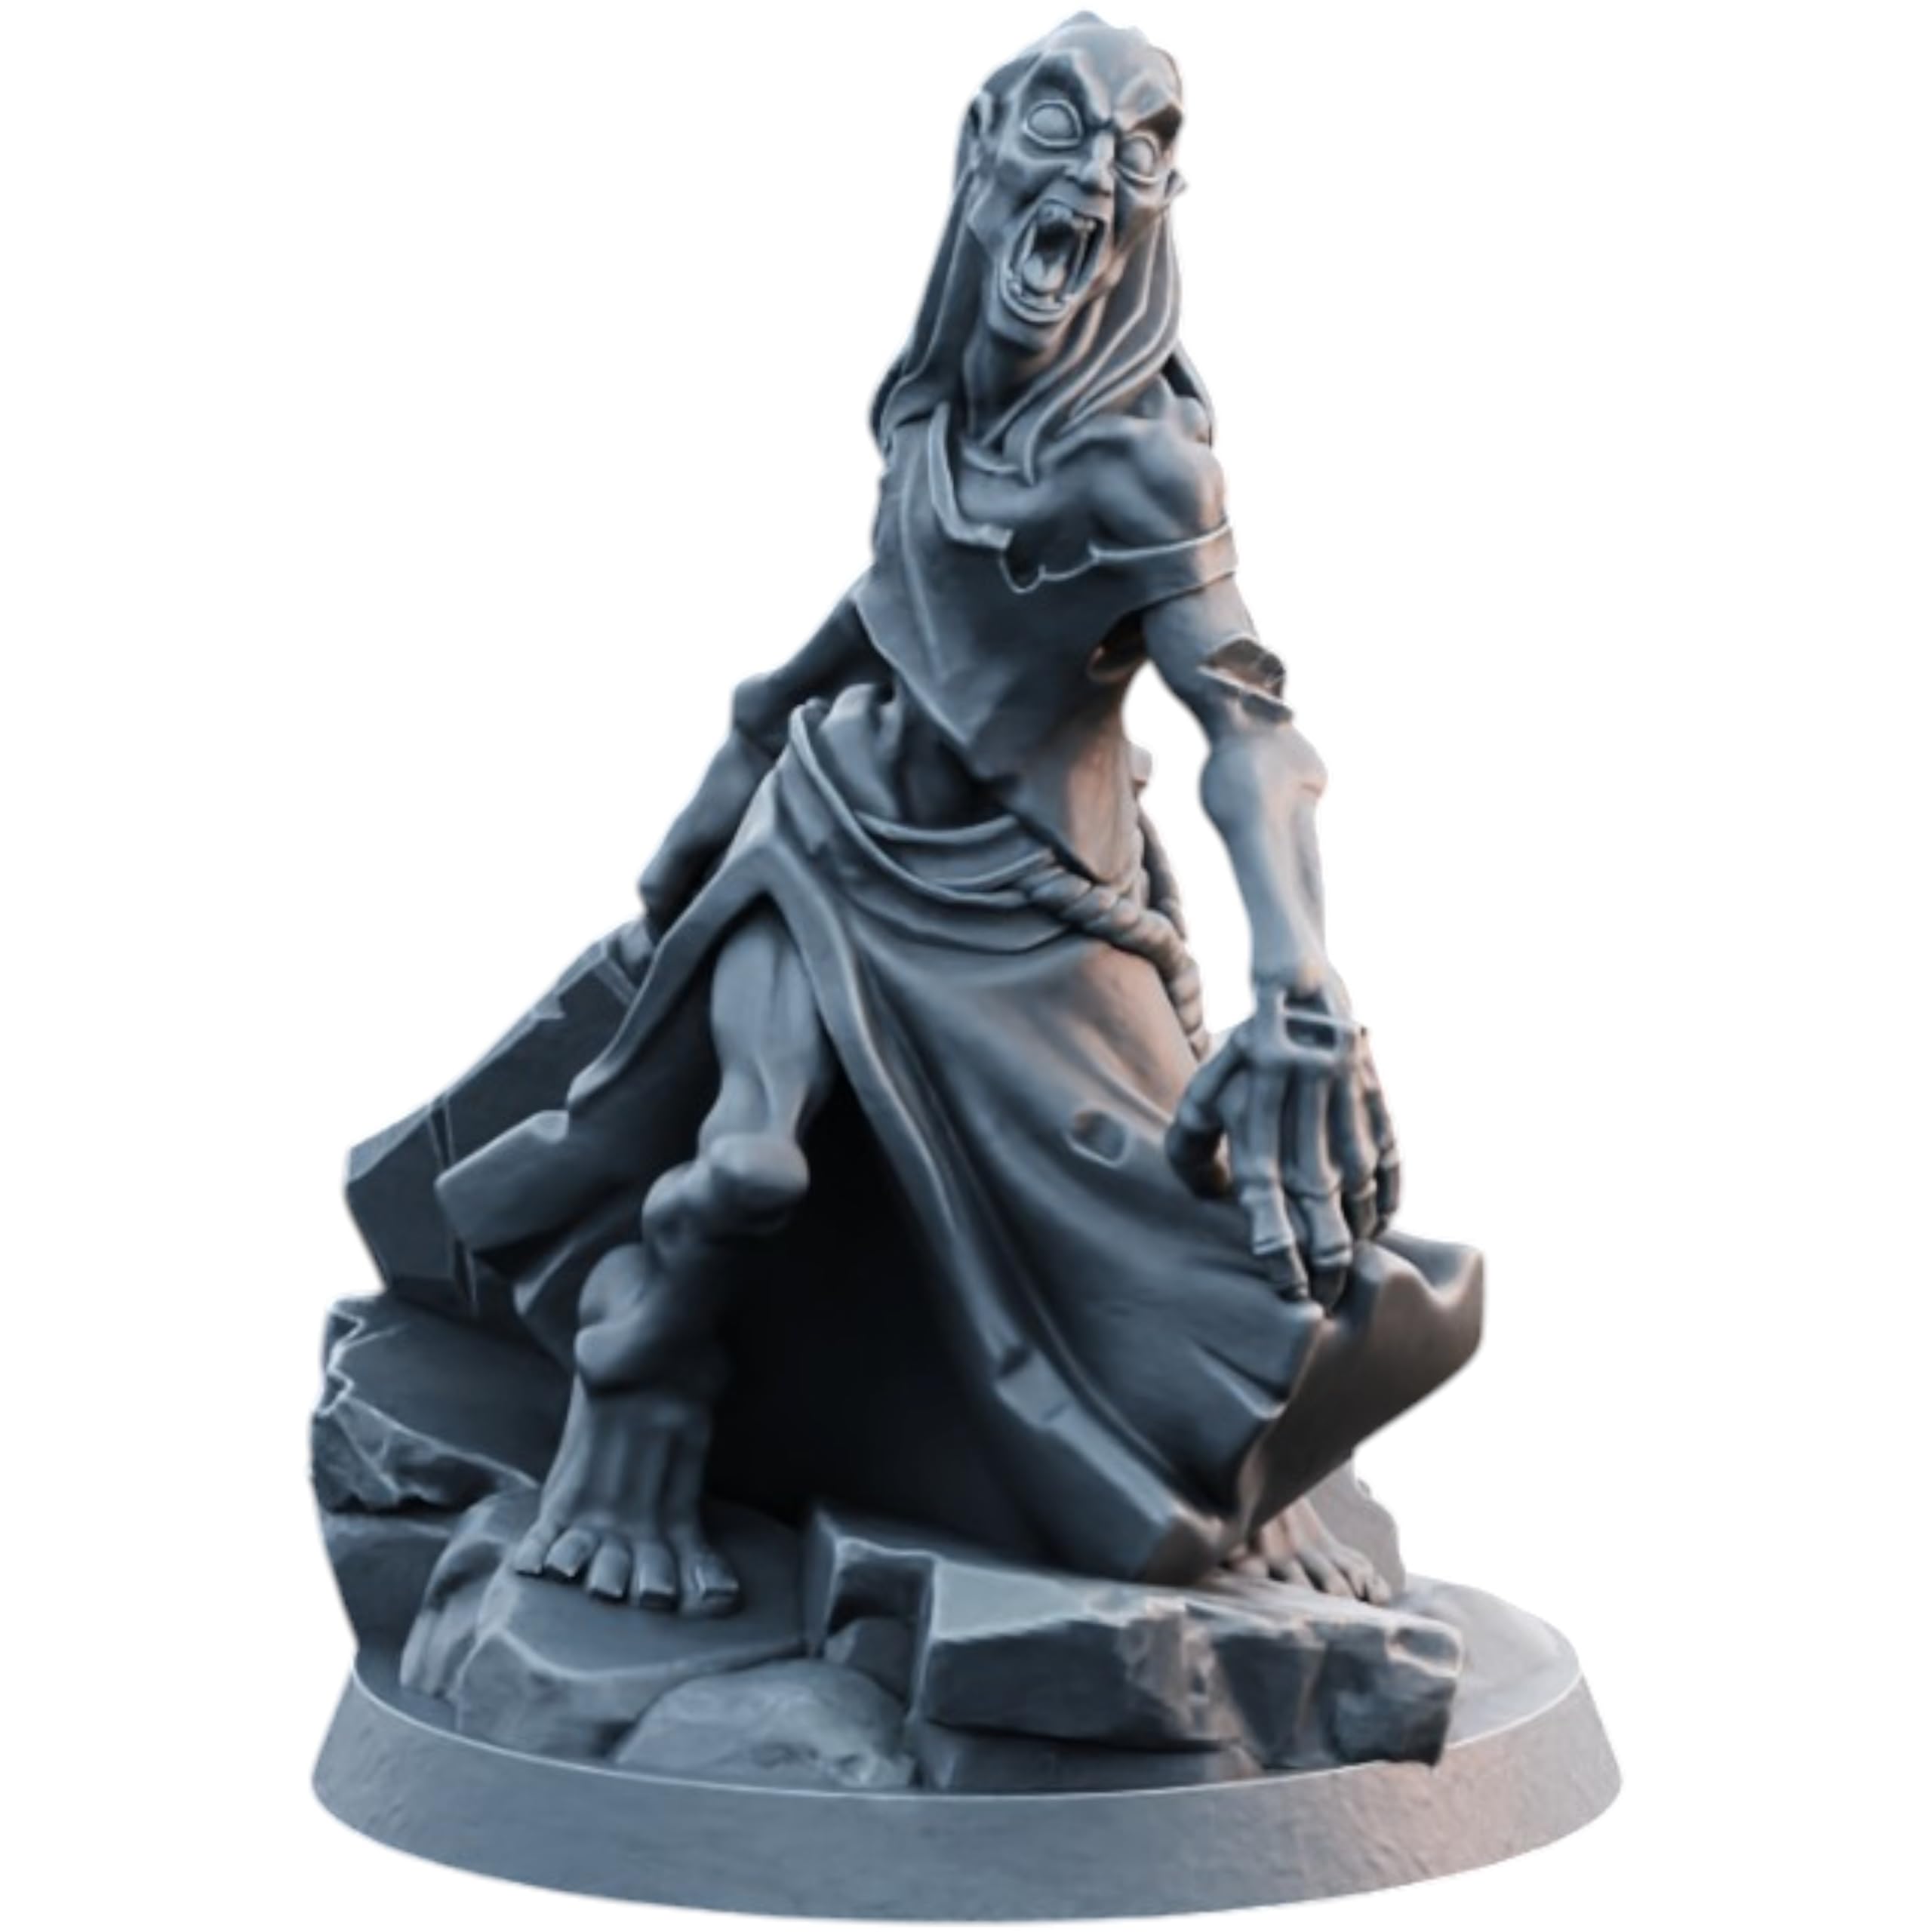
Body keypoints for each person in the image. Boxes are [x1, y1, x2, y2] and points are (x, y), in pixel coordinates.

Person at [437, 14, 1481, 1618]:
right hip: (831, 842)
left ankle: (1238, 1485)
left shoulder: (1145, 471)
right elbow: (878, 618)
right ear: (982, 153)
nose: (1101, 173)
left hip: (1034, 916)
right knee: (741, 1162)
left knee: (1205, 1256)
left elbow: (1249, 724)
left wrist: (1299, 971)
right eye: (1061, 125)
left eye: (1142, 149)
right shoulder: (926, 416)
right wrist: (710, 809)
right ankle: (626, 1444)